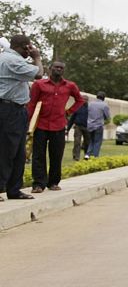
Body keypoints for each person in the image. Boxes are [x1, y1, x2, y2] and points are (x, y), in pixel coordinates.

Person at [27, 61, 85, 193]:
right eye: (56, 67)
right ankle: (38, 184)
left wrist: (68, 112)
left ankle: (53, 183)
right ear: (50, 69)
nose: (58, 70)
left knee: (56, 155)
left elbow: (80, 100)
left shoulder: (70, 86)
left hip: (58, 126)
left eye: (61, 68)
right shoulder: (39, 84)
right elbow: (32, 103)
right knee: (38, 156)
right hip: (40, 125)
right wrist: (28, 122)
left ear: (63, 70)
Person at [0, 35, 44, 201]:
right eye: (29, 47)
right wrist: (37, 57)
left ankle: (14, 189)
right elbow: (38, 73)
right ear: (25, 47)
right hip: (9, 109)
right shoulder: (12, 60)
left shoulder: (7, 57)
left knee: (18, 151)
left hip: (14, 109)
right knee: (7, 150)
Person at [85, 92, 110, 158]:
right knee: (97, 142)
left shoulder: (90, 104)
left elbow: (87, 113)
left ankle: (87, 155)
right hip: (98, 126)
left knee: (91, 141)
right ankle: (95, 156)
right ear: (104, 98)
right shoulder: (104, 105)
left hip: (90, 125)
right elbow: (107, 117)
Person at [66, 96, 89, 161]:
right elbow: (72, 119)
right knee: (77, 142)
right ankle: (76, 156)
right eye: (83, 99)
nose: (84, 100)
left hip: (87, 127)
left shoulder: (89, 108)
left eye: (86, 99)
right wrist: (68, 129)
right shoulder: (78, 107)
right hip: (78, 127)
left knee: (87, 142)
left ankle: (86, 156)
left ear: (87, 100)